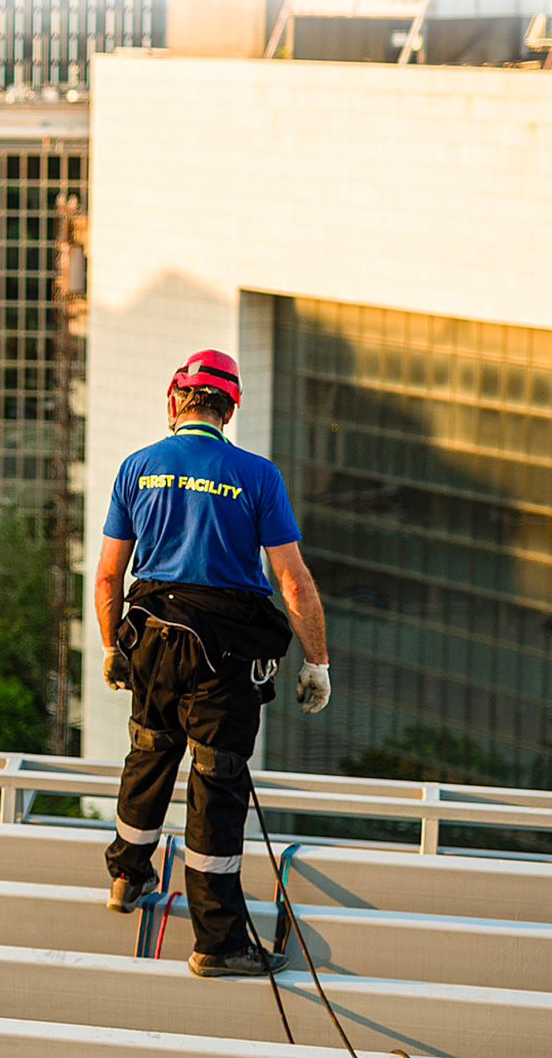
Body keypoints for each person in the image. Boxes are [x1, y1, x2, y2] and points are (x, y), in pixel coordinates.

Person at [95, 349, 333, 979]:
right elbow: (292, 581)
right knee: (217, 784)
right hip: (223, 656)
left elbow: (110, 574)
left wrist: (112, 648)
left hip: (152, 637)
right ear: (229, 408)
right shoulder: (257, 476)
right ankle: (218, 942)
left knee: (148, 754)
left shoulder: (138, 468)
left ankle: (125, 877)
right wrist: (317, 662)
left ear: (176, 402)